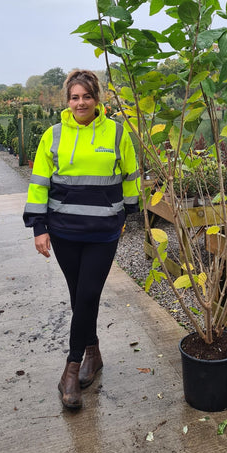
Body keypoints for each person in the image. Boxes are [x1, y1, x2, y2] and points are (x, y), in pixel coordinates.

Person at [23, 69, 140, 409]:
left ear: (96, 98)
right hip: (64, 232)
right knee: (79, 296)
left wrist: (127, 216)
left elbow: (130, 176)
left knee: (88, 294)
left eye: (86, 96)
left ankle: (71, 370)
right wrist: (39, 227)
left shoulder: (117, 134)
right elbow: (39, 183)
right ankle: (94, 352)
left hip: (103, 232)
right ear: (68, 100)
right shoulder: (53, 135)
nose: (80, 102)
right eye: (74, 97)